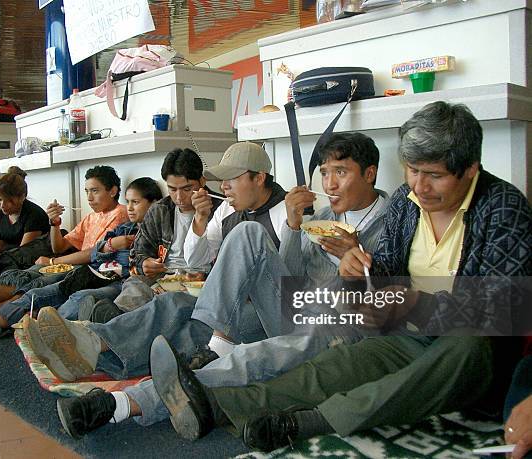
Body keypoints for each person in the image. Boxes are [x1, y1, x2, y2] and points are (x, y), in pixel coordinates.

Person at [149, 101, 532, 451]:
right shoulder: (406, 201)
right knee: (329, 368)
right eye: (412, 171)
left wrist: (405, 304)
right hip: (401, 332)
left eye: (434, 176)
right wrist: (356, 268)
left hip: (467, 351)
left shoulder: (503, 208)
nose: (420, 186)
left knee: (464, 346)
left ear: (470, 171)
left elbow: (497, 313)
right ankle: (219, 405)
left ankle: (315, 421)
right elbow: (381, 280)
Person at [50, 133, 393, 439]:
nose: (330, 184)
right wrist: (293, 226)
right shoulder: (321, 219)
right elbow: (290, 277)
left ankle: (121, 403)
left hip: (341, 327)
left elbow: (395, 309)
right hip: (290, 308)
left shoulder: (394, 223)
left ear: (370, 173)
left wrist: (359, 263)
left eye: (341, 173)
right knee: (244, 238)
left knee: (250, 356)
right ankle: (213, 343)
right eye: (325, 174)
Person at [24, 142, 288, 386]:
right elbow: (192, 257)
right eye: (225, 179)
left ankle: (99, 348)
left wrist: (296, 231)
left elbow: (285, 286)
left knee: (189, 324)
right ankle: (92, 343)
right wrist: (199, 220)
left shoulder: (288, 212)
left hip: (261, 309)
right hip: (193, 290)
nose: (225, 187)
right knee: (166, 303)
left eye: (233, 179)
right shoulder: (224, 210)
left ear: (259, 177)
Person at [0, 165, 128, 342]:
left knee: (31, 284)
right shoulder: (92, 217)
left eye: (95, 191)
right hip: (71, 263)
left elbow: (95, 253)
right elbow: (60, 245)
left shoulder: (120, 214)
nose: (89, 197)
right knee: (20, 278)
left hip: (89, 270)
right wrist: (54, 224)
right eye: (86, 191)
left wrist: (53, 260)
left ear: (113, 191)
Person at [0, 166, 49, 273]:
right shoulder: (1, 215)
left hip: (27, 263)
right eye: (0, 199)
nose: (2, 205)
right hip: (8, 259)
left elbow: (22, 252)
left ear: (22, 197)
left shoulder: (34, 215)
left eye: (8, 201)